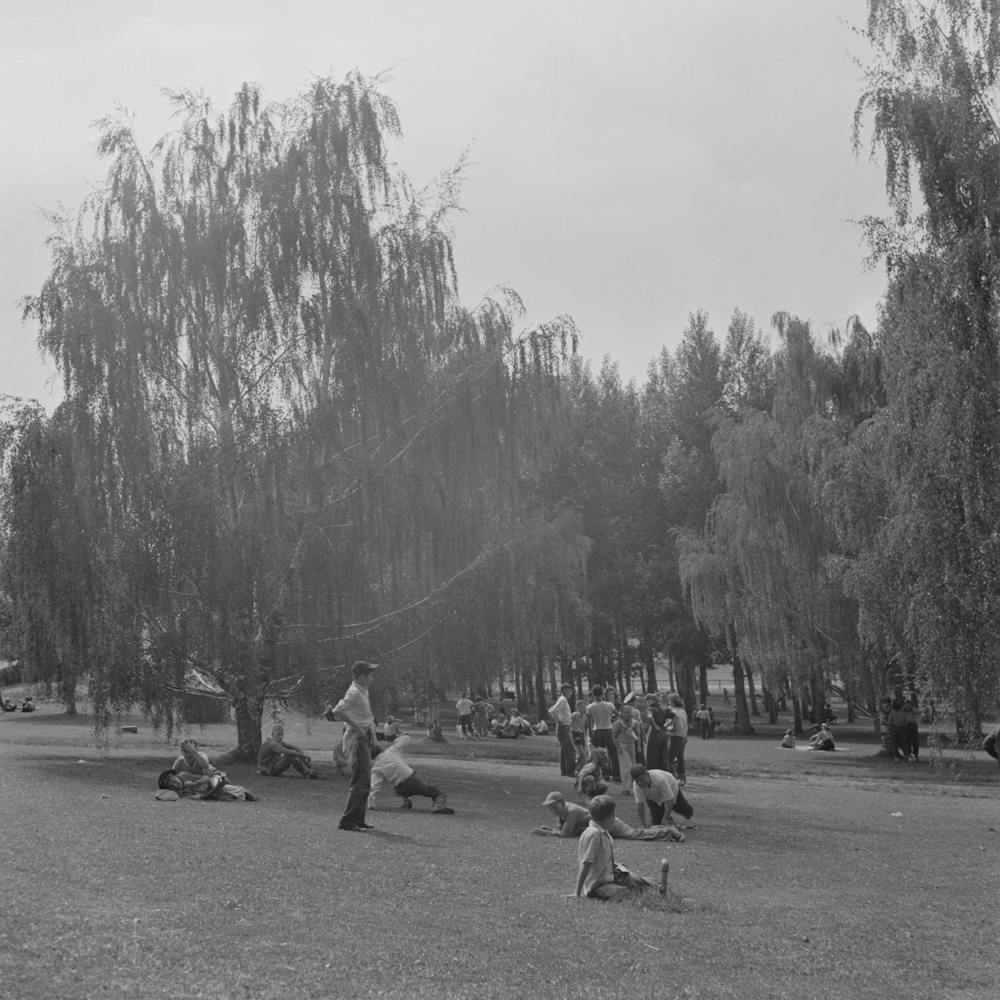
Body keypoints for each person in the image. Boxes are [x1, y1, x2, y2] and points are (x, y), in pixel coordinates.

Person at [573, 795, 655, 901]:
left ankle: (659, 886)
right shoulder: (594, 835)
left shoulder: (602, 831)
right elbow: (586, 864)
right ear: (611, 816)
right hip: (598, 886)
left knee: (647, 882)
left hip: (612, 876)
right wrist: (577, 892)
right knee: (630, 895)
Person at [329, 660, 379, 832]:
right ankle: (348, 821)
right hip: (356, 740)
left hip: (364, 738)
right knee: (361, 780)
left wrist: (372, 735)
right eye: (370, 675)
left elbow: (366, 716)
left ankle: (358, 819)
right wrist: (357, 728)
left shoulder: (363, 691)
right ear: (362, 676)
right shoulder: (354, 692)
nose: (372, 678)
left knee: (365, 780)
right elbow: (338, 711)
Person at [534, 790, 685, 841]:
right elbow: (564, 831)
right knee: (637, 832)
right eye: (550, 807)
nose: (552, 809)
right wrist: (549, 829)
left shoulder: (571, 811)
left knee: (635, 835)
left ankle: (669, 831)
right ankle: (665, 830)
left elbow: (565, 835)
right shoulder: (562, 813)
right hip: (603, 824)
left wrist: (546, 833)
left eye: (554, 806)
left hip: (609, 822)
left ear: (562, 802)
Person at [368, 734, 454, 813]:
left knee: (399, 784)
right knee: (438, 792)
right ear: (380, 749)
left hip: (400, 789)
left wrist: (371, 804)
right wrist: (396, 739)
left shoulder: (376, 767)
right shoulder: (391, 751)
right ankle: (438, 806)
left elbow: (374, 787)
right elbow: (406, 739)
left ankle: (406, 801)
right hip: (412, 781)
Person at [630, 764, 694, 829]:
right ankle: (669, 819)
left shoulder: (660, 780)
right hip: (653, 797)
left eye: (642, 779)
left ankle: (686, 813)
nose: (640, 783)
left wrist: (665, 818)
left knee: (685, 810)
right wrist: (643, 824)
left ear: (647, 774)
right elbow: (640, 805)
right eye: (637, 781)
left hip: (671, 787)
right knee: (657, 823)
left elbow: (669, 801)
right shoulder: (636, 785)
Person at [156, 768, 256, 802]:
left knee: (220, 786)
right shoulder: (184, 794)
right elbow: (204, 797)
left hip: (212, 781)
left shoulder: (185, 775)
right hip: (212, 792)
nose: (175, 784)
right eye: (171, 786)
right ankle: (241, 794)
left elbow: (206, 777)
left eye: (174, 781)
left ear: (176, 776)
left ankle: (245, 793)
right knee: (220, 795)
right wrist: (218, 787)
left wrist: (196, 782)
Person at [586, 686, 619, 781]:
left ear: (593, 694)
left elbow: (589, 723)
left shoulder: (590, 707)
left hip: (597, 730)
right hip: (608, 730)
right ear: (602, 694)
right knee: (613, 753)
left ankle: (604, 774)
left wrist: (591, 734)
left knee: (599, 754)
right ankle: (616, 775)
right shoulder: (609, 705)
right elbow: (618, 715)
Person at [548, 682, 576, 777]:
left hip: (564, 727)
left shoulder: (561, 700)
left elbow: (552, 709)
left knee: (564, 751)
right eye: (570, 690)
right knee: (571, 751)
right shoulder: (563, 700)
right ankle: (570, 772)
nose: (571, 692)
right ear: (566, 690)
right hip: (564, 727)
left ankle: (564, 771)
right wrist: (559, 721)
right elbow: (552, 710)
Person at [612, 705, 642, 794]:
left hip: (632, 745)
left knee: (633, 767)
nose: (627, 715)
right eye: (625, 713)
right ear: (621, 713)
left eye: (629, 713)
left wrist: (639, 746)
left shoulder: (635, 723)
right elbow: (613, 736)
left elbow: (638, 735)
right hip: (622, 746)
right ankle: (626, 788)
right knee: (626, 767)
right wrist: (618, 747)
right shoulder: (618, 723)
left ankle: (634, 787)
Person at [665, 695, 688, 785]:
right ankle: (682, 778)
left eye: (670, 701)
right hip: (683, 737)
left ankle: (672, 778)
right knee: (680, 758)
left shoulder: (673, 711)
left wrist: (666, 727)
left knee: (669, 758)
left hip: (676, 736)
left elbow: (673, 723)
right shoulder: (683, 711)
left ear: (673, 702)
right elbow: (685, 725)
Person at [644, 694, 670, 772]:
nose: (647, 703)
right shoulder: (665, 708)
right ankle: (664, 772)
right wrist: (666, 725)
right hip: (664, 732)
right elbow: (675, 718)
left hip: (655, 732)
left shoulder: (650, 709)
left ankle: (653, 773)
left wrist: (655, 726)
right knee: (663, 755)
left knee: (652, 755)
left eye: (648, 700)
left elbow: (649, 717)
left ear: (653, 700)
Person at [570, 703, 588, 773]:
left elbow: (583, 726)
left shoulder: (584, 716)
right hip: (576, 733)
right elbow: (569, 722)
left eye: (584, 707)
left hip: (581, 734)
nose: (583, 709)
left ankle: (579, 769)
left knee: (582, 754)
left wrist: (584, 734)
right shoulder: (574, 715)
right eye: (581, 707)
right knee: (582, 753)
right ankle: (576, 768)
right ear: (577, 707)